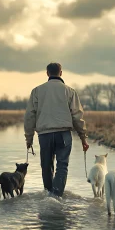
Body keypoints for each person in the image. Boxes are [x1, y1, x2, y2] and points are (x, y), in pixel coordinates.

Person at [24, 62, 89, 197]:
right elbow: (77, 116)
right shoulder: (70, 91)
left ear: (47, 73)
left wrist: (29, 139)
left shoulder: (37, 91)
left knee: (46, 166)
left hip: (45, 135)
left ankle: (48, 195)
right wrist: (83, 138)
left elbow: (30, 116)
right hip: (63, 135)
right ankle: (57, 196)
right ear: (61, 73)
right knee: (62, 166)